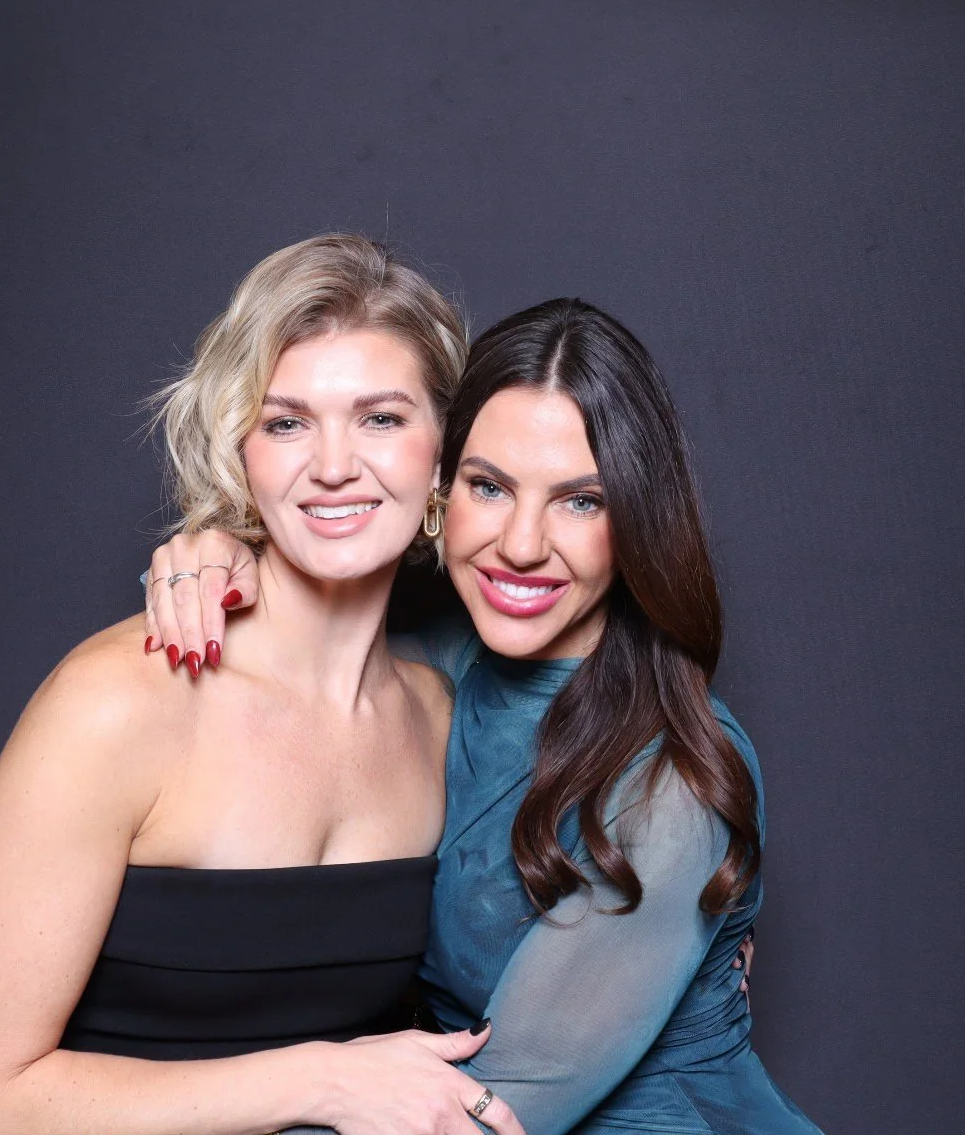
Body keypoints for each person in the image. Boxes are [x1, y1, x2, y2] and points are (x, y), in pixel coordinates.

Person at [148, 299, 821, 1133]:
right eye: (490, 486)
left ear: (638, 521)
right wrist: (223, 543)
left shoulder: (671, 778)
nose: (523, 543)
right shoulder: (425, 662)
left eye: (581, 502)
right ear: (439, 487)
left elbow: (483, 1115)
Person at [0, 235, 526, 1135]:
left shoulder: (444, 721)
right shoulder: (118, 704)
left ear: (446, 455)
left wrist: (704, 937)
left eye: (381, 418)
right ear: (240, 453)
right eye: (286, 422)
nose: (332, 465)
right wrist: (320, 1081)